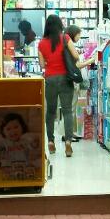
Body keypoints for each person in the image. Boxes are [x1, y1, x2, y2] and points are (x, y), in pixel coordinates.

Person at [38, 14, 81, 158]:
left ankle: (50, 141)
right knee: (67, 111)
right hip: (65, 79)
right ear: (60, 25)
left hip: (50, 79)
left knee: (50, 112)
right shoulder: (65, 38)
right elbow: (76, 56)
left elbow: (42, 64)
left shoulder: (41, 43)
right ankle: (68, 142)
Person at [64, 24, 96, 142]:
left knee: (70, 107)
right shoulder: (70, 47)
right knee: (71, 108)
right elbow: (77, 65)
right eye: (78, 34)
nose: (79, 37)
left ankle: (69, 133)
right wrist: (90, 60)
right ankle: (68, 135)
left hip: (67, 80)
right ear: (73, 34)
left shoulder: (66, 47)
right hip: (71, 80)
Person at [0, 112, 39, 181]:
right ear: (3, 132)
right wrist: (1, 152)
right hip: (10, 165)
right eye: (8, 129)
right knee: (6, 170)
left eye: (16, 127)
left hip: (24, 164)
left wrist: (35, 143)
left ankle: (28, 176)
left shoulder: (25, 140)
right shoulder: (4, 143)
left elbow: (33, 147)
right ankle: (8, 176)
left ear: (22, 127)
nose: (13, 131)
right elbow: (1, 152)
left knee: (30, 168)